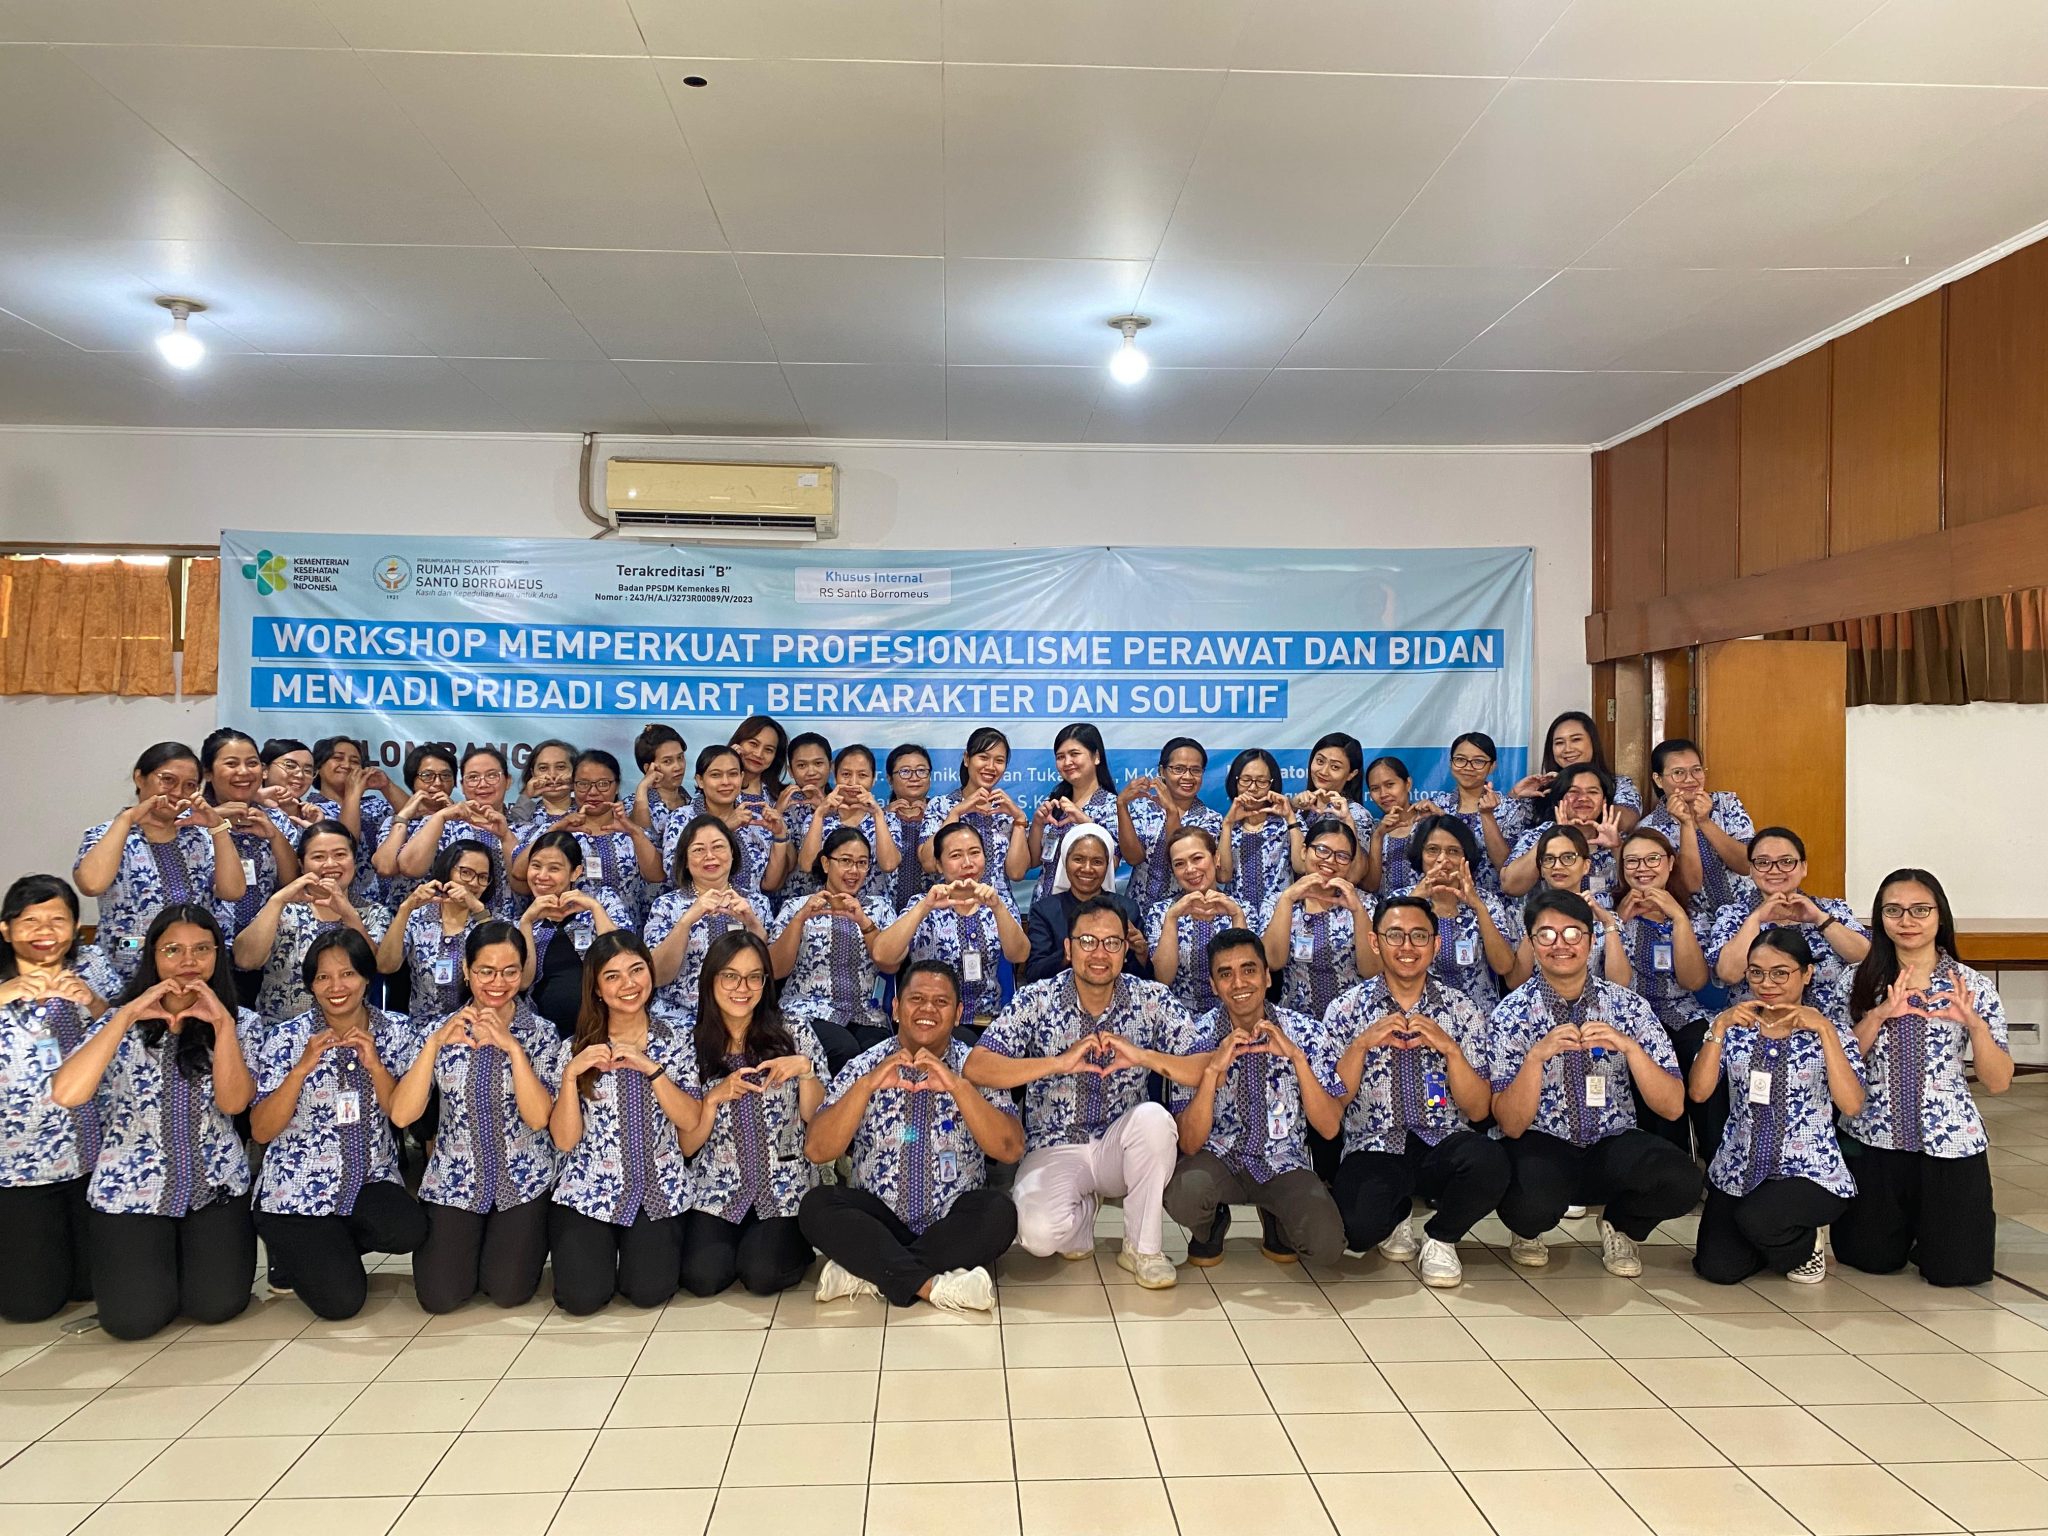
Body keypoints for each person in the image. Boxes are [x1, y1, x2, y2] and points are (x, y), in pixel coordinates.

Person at [965, 898, 1203, 1288]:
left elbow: (1203, 1065)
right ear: (1068, 947)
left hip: (1120, 1146)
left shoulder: (1151, 999)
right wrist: (1056, 1063)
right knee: (1038, 1236)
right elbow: (978, 1066)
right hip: (1054, 1144)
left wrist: (1142, 1056)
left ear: (1125, 949)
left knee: (1155, 1120)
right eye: (1088, 941)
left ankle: (1143, 1249)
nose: (1099, 954)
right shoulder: (1036, 999)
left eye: (1111, 943)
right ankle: (1081, 1215)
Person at [50, 904, 257, 1340]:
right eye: (173, 950)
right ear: (153, 956)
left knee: (216, 1306)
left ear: (217, 955)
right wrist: (125, 1015)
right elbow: (68, 1093)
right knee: (132, 1322)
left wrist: (222, 1025)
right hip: (130, 1188)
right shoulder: (119, 1021)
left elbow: (234, 1103)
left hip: (215, 1186)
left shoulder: (242, 1023)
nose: (188, 961)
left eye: (202, 949)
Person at [1489, 889, 1702, 1277]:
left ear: (1590, 941)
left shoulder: (1628, 1006)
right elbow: (1511, 1124)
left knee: (1681, 1180)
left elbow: (1672, 1107)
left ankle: (1620, 1225)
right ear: (1532, 944)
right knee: (1529, 1202)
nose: (1560, 944)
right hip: (1541, 1140)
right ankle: (1527, 1231)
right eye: (1546, 935)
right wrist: (1535, 1058)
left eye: (1572, 933)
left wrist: (1630, 1048)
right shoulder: (1510, 1014)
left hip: (1611, 1139)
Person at [799, 959, 1023, 1311]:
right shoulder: (864, 1066)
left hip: (951, 1220)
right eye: (916, 999)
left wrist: (959, 1088)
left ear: (958, 1013)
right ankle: (933, 1285)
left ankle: (872, 1271)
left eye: (941, 1002)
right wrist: (866, 1086)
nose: (927, 1009)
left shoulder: (976, 1068)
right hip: (878, 1221)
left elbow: (1010, 1149)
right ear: (896, 1007)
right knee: (817, 1205)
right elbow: (817, 1150)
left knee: (999, 1213)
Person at [1831, 869, 2012, 1288]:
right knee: (1871, 1260)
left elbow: (1999, 1082)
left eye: (1920, 910)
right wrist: (1878, 1015)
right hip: (1873, 1138)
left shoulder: (1972, 986)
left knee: (1958, 1273)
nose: (1907, 921)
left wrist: (1976, 1026)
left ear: (1939, 916)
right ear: (1880, 918)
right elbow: (1837, 1062)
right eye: (1893, 911)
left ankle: (1931, 1231)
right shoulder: (1856, 980)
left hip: (1949, 1142)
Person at [1324, 897, 1507, 1287]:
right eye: (1395, 935)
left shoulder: (1462, 1009)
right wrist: (1360, 1045)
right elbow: (1333, 1103)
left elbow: (1478, 1110)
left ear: (1436, 944)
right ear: (1375, 942)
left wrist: (1450, 1049)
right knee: (1355, 1230)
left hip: (1443, 1141)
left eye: (1419, 936)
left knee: (1491, 1162)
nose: (1407, 946)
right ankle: (1397, 1214)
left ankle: (1441, 1238)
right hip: (1374, 1143)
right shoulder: (1345, 1010)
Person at [247, 930, 426, 1320]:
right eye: (323, 978)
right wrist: (300, 1070)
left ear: (366, 977)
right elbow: (261, 1131)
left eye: (347, 974)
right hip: (296, 1190)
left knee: (409, 1229)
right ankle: (294, 1246)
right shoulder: (286, 1038)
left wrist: (375, 1065)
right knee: (342, 1303)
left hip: (368, 1178)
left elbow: (402, 1114)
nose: (336, 987)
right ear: (311, 985)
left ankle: (326, 1249)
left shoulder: (397, 1031)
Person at [392, 923, 559, 1313]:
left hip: (524, 1175)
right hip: (455, 1176)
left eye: (509, 971)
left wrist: (513, 1049)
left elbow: (539, 1118)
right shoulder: (437, 1030)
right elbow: (402, 1114)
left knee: (507, 1291)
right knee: (440, 1296)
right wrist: (433, 1046)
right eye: (486, 971)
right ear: (467, 970)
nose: (497, 983)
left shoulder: (541, 1034)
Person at [1690, 929, 1866, 1286]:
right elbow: (1699, 1092)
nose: (1767, 983)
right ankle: (1768, 1239)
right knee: (1717, 1268)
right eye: (1756, 973)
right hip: (1739, 1167)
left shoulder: (1831, 1030)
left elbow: (1850, 1104)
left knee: (1757, 1218)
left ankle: (1803, 1243)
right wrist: (1718, 1028)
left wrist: (1826, 1033)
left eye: (1780, 973)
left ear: (1807, 973)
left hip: (1807, 1171)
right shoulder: (1734, 1026)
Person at [1162, 929, 1347, 1267]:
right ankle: (1211, 1223)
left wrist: (1297, 1058)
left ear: (1267, 976)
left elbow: (1329, 1127)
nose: (1239, 983)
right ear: (1214, 985)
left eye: (1249, 970)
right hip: (1218, 1157)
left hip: (1283, 1160)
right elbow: (1188, 1142)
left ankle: (1277, 1216)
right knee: (1183, 1196)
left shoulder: (1307, 1032)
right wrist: (1211, 1071)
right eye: (1225, 974)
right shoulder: (1195, 1037)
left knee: (1326, 1247)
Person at [547, 932, 695, 1313]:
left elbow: (691, 1119)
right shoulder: (573, 1049)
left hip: (658, 1185)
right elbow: (564, 1141)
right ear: (597, 989)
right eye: (612, 976)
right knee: (580, 1298)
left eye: (636, 970)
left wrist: (652, 1069)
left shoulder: (678, 1040)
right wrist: (570, 1076)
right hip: (588, 1186)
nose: (628, 984)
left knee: (648, 1291)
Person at [674, 931, 827, 1297]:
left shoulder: (794, 1032)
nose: (742, 988)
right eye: (730, 976)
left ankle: (782, 1243)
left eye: (754, 977)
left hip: (784, 1185)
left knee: (762, 1275)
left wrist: (805, 1070)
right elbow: (687, 1145)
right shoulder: (689, 1045)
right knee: (702, 1278)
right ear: (710, 980)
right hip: (718, 1187)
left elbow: (817, 1116)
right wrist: (712, 1098)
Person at [0, 876, 113, 1322]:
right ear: (6, 929)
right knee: (30, 1306)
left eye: (58, 920)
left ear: (75, 926)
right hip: (17, 1167)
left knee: (91, 1287)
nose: (45, 932)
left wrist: (95, 1003)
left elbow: (131, 1028)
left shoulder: (93, 965)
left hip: (90, 1154)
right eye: (30, 921)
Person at [75, 741, 246, 982]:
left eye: (189, 785)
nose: (177, 792)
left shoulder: (199, 837)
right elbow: (91, 885)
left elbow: (233, 891)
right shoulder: (106, 834)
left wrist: (217, 826)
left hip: (191, 971)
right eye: (168, 780)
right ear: (139, 778)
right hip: (125, 970)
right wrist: (127, 819)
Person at [1612, 828, 1721, 1162]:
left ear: (1671, 863)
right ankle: (1663, 1163)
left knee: (1704, 1052)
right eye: (1632, 861)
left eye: (1652, 859)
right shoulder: (1608, 912)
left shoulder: (1695, 915)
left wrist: (1678, 919)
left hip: (1682, 1012)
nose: (1642, 868)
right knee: (1642, 1063)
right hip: (1630, 1017)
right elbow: (1612, 985)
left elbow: (1694, 980)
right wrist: (1617, 924)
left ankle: (1713, 1159)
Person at [874, 821, 1031, 1034]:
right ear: (939, 865)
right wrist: (924, 907)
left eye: (974, 853)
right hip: (934, 1021)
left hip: (988, 1023)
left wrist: (998, 908)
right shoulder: (922, 903)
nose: (967, 863)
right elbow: (883, 956)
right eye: (956, 855)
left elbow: (1019, 955)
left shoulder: (999, 902)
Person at [233, 821, 393, 1024]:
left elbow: (379, 966)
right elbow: (245, 960)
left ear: (354, 860)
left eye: (340, 855)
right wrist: (277, 901)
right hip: (282, 1033)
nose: (330, 864)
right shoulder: (284, 909)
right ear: (302, 864)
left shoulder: (375, 913)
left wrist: (350, 916)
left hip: (350, 1032)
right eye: (318, 857)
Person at [771, 827, 898, 1067]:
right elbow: (776, 969)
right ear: (826, 863)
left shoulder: (880, 908)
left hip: (867, 1014)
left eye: (862, 863)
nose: (854, 871)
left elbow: (890, 964)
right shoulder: (796, 906)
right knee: (843, 1049)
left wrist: (864, 922)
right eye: (846, 861)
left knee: (880, 1053)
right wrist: (799, 919)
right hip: (808, 1010)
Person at [1708, 827, 1869, 1004]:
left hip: (1828, 1019)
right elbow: (1729, 974)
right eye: (1763, 862)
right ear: (1751, 869)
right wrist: (1755, 919)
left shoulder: (1832, 910)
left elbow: (1866, 957)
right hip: (1757, 1019)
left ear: (1803, 867)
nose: (1774, 870)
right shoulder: (1733, 916)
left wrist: (1820, 919)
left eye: (1786, 861)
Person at [646, 815, 773, 1018]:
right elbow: (657, 976)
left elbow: (769, 969)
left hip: (742, 1015)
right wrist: (686, 921)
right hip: (681, 1015)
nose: (710, 856)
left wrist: (752, 923)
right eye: (698, 850)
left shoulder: (757, 903)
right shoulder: (666, 906)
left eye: (718, 847)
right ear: (685, 861)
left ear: (732, 853)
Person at [512, 750, 661, 920]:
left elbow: (656, 876)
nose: (593, 792)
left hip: (622, 931)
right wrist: (555, 829)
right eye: (583, 784)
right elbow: (518, 872)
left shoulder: (632, 831)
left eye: (603, 784)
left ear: (617, 786)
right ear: (573, 786)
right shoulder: (557, 827)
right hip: (564, 930)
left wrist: (634, 831)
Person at [516, 830, 630, 1037]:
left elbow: (623, 956)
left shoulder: (603, 900)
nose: (542, 876)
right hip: (545, 1034)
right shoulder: (525, 920)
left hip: (604, 1027)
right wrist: (526, 922)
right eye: (536, 866)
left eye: (554, 868)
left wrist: (594, 908)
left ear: (576, 872)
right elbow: (523, 982)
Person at [1262, 818, 1377, 1019]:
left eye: (1342, 856)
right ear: (1304, 851)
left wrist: (1358, 911)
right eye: (1322, 850)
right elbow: (1273, 962)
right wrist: (1288, 899)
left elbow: (1372, 971)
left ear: (1351, 863)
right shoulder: (1277, 902)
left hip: (1355, 1017)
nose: (1331, 861)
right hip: (1297, 1022)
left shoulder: (1365, 904)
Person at [201, 727, 304, 945]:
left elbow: (291, 883)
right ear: (208, 773)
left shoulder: (275, 818)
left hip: (265, 945)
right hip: (206, 946)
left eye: (252, 763)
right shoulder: (189, 822)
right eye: (231, 764)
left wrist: (274, 836)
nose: (244, 772)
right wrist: (212, 818)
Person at [1405, 815, 1518, 1013]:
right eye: (1433, 850)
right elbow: (1380, 964)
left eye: (1453, 851)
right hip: (1419, 1014)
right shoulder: (1401, 900)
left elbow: (1504, 966)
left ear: (1466, 858)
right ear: (1420, 855)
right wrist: (1414, 901)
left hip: (1478, 1014)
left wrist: (1478, 908)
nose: (1442, 859)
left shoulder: (1486, 901)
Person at [376, 840, 496, 1027]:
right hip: (423, 1029)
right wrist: (405, 909)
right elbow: (385, 966)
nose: (473, 883)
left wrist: (477, 908)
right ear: (447, 870)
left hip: (476, 1026)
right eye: (466, 872)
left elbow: (500, 956)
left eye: (482, 877)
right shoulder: (418, 918)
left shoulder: (489, 921)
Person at [394, 746, 517, 917]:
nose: (482, 784)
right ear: (462, 785)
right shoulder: (441, 823)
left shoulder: (524, 830)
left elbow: (523, 883)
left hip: (503, 926)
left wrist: (506, 836)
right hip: (444, 923)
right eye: (473, 777)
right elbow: (410, 868)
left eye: (491, 775)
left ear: (508, 781)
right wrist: (440, 817)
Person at [1023, 822, 1151, 984]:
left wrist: (1141, 954)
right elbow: (1034, 973)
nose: (1087, 869)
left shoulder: (1127, 909)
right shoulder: (1045, 910)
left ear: (1107, 866)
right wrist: (1072, 950)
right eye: (1079, 859)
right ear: (1065, 862)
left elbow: (1142, 979)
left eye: (1097, 862)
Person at [1506, 825, 1631, 989]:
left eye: (1568, 857)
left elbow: (1620, 985)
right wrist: (1534, 923)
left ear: (1586, 866)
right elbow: (1514, 983)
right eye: (1549, 859)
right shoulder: (1519, 916)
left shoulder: (1606, 919)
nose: (1557, 866)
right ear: (1541, 869)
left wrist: (1608, 924)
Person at [661, 744, 790, 900]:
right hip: (695, 909)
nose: (726, 782)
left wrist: (780, 836)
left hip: (747, 910)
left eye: (733, 774)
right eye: (716, 775)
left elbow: (770, 884)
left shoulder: (755, 820)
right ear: (700, 780)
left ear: (742, 777)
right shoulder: (682, 817)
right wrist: (726, 827)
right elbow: (674, 873)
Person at [1640, 738, 1753, 913]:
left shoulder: (1727, 803)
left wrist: (1705, 822)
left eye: (1697, 770)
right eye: (1678, 772)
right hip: (1695, 920)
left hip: (1748, 911)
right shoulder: (1649, 829)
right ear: (1659, 780)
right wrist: (1686, 824)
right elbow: (1690, 884)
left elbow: (1747, 865)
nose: (1690, 779)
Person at [1149, 826, 1253, 1015]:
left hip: (1236, 1014)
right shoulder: (1161, 912)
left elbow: (1249, 972)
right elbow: (1163, 978)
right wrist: (1172, 918)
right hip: (1179, 1018)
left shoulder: (1242, 909)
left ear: (1216, 858)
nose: (1190, 869)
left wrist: (1236, 916)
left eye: (1197, 858)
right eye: (1179, 864)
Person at [1116, 736, 1225, 915]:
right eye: (1179, 769)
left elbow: (1178, 855)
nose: (1187, 777)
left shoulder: (1210, 819)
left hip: (1184, 913)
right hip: (1136, 910)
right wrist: (1121, 805)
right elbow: (1133, 858)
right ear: (1162, 771)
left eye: (1195, 770)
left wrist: (1171, 812)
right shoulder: (1142, 809)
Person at [919, 727, 1033, 887]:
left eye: (999, 761)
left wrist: (1019, 820)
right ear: (967, 759)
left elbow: (1017, 873)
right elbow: (929, 863)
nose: (991, 766)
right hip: (950, 900)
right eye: (983, 757)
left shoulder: (1006, 812)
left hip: (997, 901)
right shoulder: (940, 806)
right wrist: (956, 813)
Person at [791, 743, 900, 906]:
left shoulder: (888, 819)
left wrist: (877, 814)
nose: (853, 782)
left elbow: (889, 864)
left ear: (873, 779)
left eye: (862, 775)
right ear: (835, 777)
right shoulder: (818, 819)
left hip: (872, 910)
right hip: (824, 909)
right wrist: (820, 814)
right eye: (846, 774)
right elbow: (807, 866)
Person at [1502, 765, 1623, 900]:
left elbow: (1631, 890)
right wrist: (1553, 836)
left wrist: (1617, 848)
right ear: (1559, 800)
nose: (1583, 798)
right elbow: (1511, 887)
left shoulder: (1615, 838)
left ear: (1604, 801)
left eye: (1593, 792)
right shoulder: (1538, 835)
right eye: (1573, 791)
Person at [303, 736, 397, 908]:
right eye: (338, 758)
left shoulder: (374, 805)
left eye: (354, 761)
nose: (346, 765)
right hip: (338, 902)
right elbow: (347, 841)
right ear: (318, 767)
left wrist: (386, 786)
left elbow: (415, 817)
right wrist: (353, 793)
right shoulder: (310, 810)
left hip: (385, 902)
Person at [1029, 722, 1119, 901]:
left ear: (1096, 757)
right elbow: (1034, 860)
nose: (1067, 762)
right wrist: (1037, 825)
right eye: (1060, 757)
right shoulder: (1055, 801)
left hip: (1086, 907)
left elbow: (1112, 865)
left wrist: (1085, 823)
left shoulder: (1112, 806)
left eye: (1074, 754)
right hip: (1044, 903)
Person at [1420, 731, 1518, 890]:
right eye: (1460, 760)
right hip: (1443, 896)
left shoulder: (1509, 808)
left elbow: (1505, 867)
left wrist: (1488, 816)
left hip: (1493, 900)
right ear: (1451, 763)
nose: (1468, 767)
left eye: (1478, 761)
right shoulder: (1435, 806)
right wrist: (1440, 820)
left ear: (1492, 766)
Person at [1512, 710, 1642, 830]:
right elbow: (1508, 837)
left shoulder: (1619, 784)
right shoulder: (1541, 790)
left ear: (1593, 742)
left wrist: (1581, 805)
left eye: (1576, 740)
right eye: (1559, 742)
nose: (1568, 749)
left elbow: (1626, 821)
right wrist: (1514, 795)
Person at [370, 742, 461, 900]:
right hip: (398, 909)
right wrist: (404, 817)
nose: (438, 783)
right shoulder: (396, 822)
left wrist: (454, 817)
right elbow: (385, 868)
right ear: (412, 781)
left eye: (446, 776)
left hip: (449, 908)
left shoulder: (463, 822)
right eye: (427, 775)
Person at [1215, 748, 1296, 914]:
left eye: (1261, 781)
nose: (1252, 788)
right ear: (1235, 782)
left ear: (1272, 784)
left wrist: (1291, 819)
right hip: (1237, 916)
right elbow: (1223, 876)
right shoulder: (1223, 825)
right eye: (1245, 780)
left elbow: (1302, 867)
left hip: (1280, 915)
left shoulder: (1286, 822)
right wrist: (1228, 824)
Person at [1289, 732, 1372, 879]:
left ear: (1351, 774)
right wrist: (1292, 807)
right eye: (1320, 761)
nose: (1323, 771)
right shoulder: (1298, 808)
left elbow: (1354, 876)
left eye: (1335, 767)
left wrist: (1348, 821)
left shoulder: (1357, 814)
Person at [771, 731, 835, 902]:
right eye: (801, 765)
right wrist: (778, 815)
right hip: (789, 900)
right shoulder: (782, 805)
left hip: (835, 901)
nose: (811, 771)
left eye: (818, 763)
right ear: (790, 771)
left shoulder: (842, 805)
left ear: (831, 766)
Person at [1362, 755, 1433, 902]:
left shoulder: (1430, 823)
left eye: (1390, 785)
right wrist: (1378, 837)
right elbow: (1371, 887)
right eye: (1375, 789)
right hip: (1386, 913)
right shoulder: (1371, 830)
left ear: (1408, 784)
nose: (1383, 794)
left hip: (1428, 910)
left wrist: (1441, 818)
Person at [876, 744, 935, 913]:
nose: (914, 777)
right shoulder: (876, 818)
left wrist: (933, 817)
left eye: (921, 771)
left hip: (932, 913)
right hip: (884, 913)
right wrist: (883, 815)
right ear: (890, 779)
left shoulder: (943, 816)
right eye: (905, 771)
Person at [628, 723, 690, 851]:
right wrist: (642, 788)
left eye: (680, 757)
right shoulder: (632, 804)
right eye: (667, 761)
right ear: (649, 768)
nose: (678, 766)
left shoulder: (694, 803)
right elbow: (639, 840)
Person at [512, 739, 578, 832]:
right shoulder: (524, 814)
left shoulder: (588, 811)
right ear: (533, 773)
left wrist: (580, 784)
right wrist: (526, 795)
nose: (552, 775)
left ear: (575, 771)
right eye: (543, 768)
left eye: (561, 767)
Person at [730, 714, 790, 805]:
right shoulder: (713, 789)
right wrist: (728, 762)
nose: (759, 754)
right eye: (753, 744)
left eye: (768, 750)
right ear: (738, 742)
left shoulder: (784, 796)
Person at [260, 738, 317, 821]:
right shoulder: (247, 811)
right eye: (290, 766)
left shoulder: (313, 815)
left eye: (308, 770)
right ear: (264, 771)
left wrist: (317, 826)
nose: (300, 775)